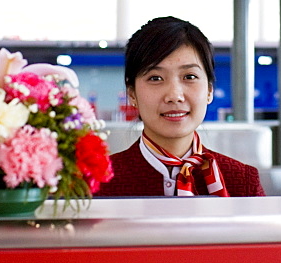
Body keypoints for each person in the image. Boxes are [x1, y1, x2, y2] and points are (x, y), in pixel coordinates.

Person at [96, 16, 265, 197]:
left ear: (209, 90)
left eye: (189, 77)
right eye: (155, 78)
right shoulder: (98, 182)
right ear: (132, 94)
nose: (175, 96)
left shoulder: (242, 181)